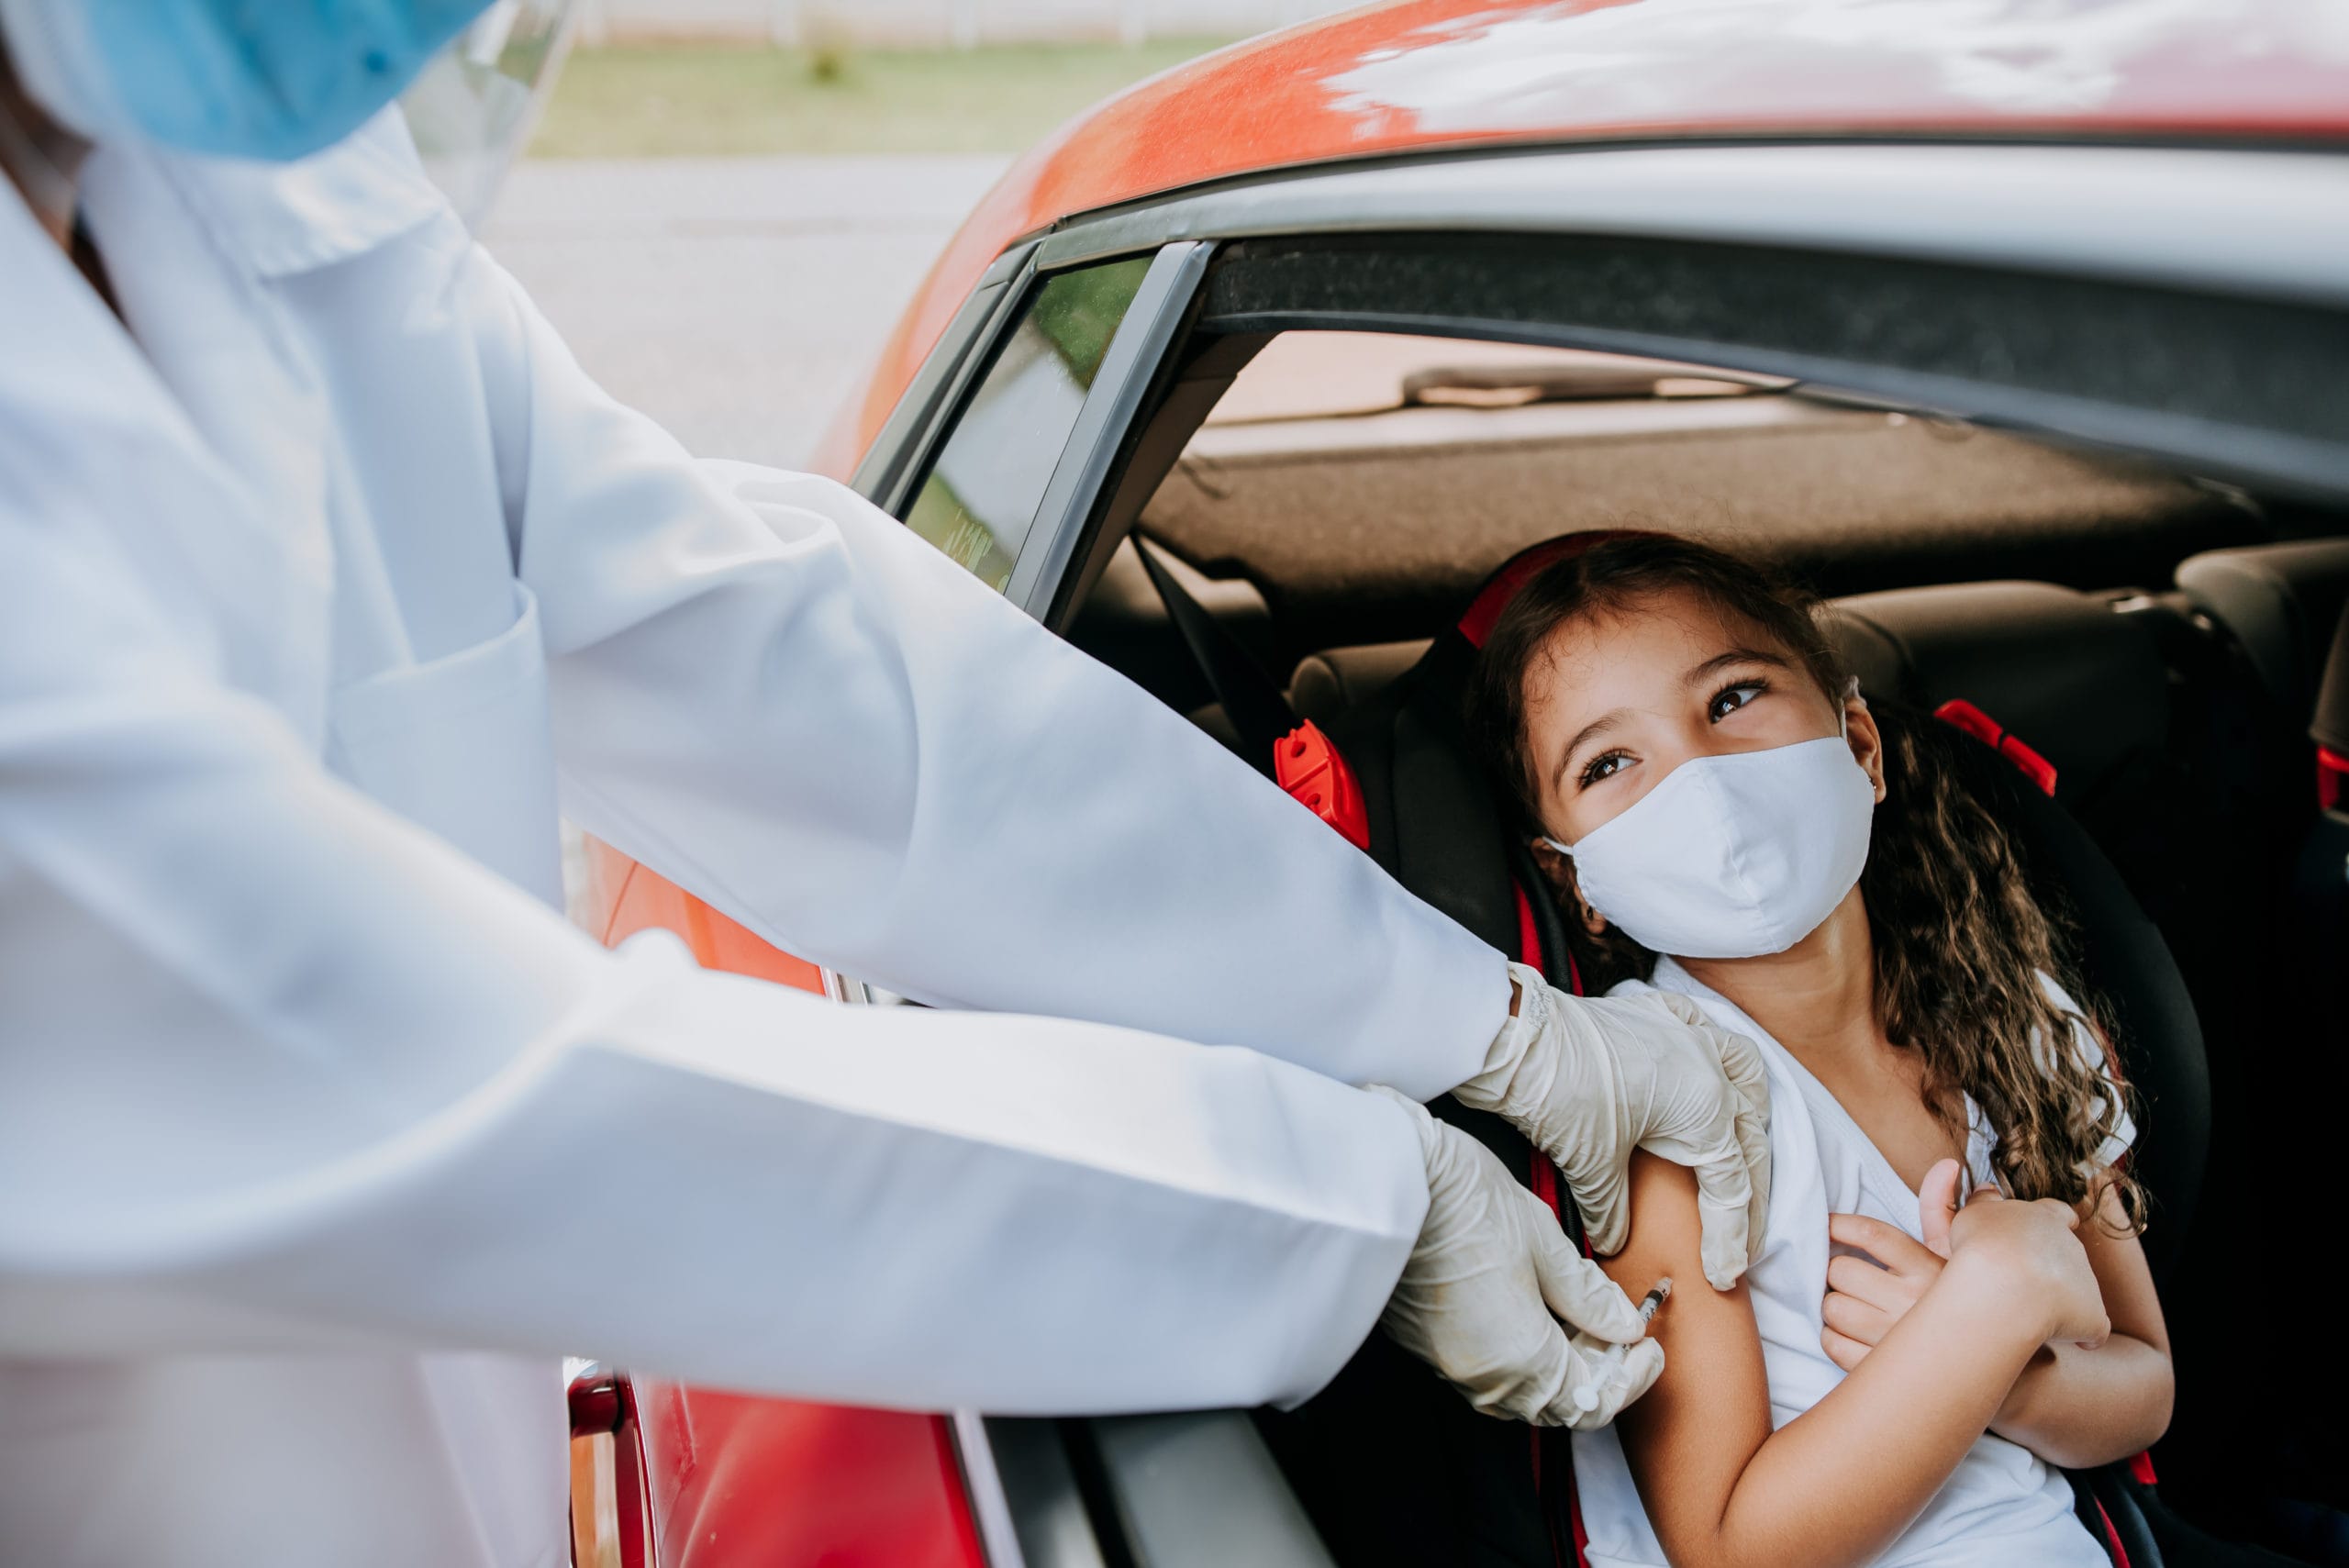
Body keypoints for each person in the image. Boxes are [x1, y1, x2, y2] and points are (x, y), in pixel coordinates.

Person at [0, 6, 1770, 1564]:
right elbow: (479, 1098)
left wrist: (1491, 1021)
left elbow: (802, 668)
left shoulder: (289, 209)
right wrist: (1353, 1200)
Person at [1464, 535, 2173, 1568]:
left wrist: (2008, 1371)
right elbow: (1725, 1545)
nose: (1697, 774)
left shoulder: (2022, 1018)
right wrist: (1999, 1296)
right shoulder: (1658, 1107)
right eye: (1610, 763)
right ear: (1576, 880)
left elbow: (2143, 1380)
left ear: (1859, 744)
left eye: (1732, 697)